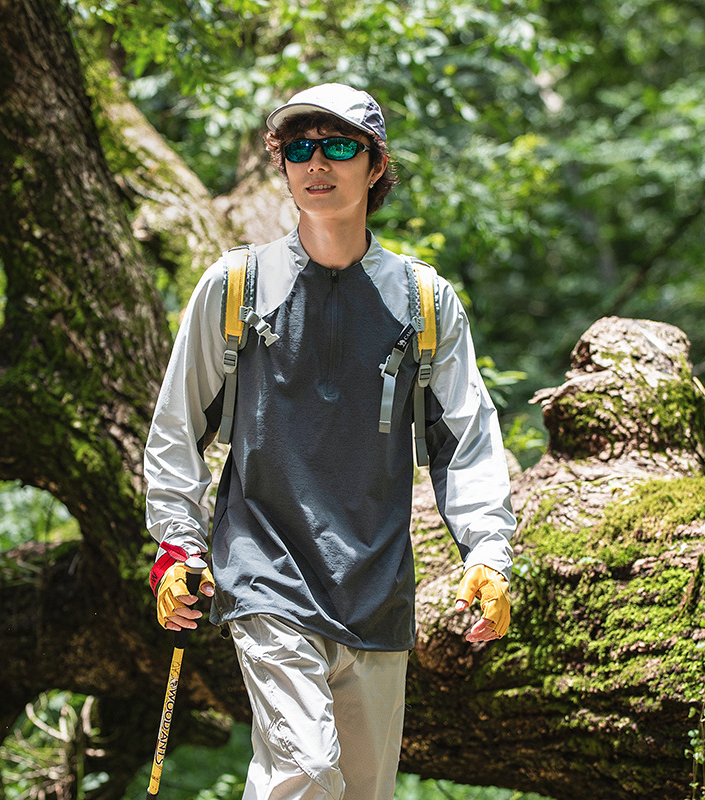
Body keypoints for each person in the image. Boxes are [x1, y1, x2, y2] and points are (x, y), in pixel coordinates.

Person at [144, 83, 515, 800]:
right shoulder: (236, 287)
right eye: (299, 148)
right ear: (282, 166)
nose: (317, 163)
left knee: (361, 792)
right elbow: (176, 429)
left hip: (377, 590)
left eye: (340, 146)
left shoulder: (423, 302)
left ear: (375, 166)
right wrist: (177, 547)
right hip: (267, 575)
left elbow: (467, 440)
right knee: (306, 772)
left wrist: (488, 553)